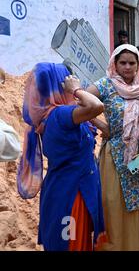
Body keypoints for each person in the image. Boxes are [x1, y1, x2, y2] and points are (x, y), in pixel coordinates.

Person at [18, 63, 105, 251]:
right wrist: (76, 89)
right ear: (59, 86)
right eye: (65, 81)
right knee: (73, 243)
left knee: (66, 242)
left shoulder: (49, 116)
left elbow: (99, 122)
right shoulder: (61, 115)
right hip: (73, 196)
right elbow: (97, 105)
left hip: (61, 190)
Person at [87, 44, 139, 251]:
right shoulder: (106, 85)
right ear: (114, 64)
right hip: (115, 156)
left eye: (132, 63)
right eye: (122, 62)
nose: (127, 67)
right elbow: (80, 102)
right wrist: (101, 125)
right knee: (114, 204)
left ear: (138, 65)